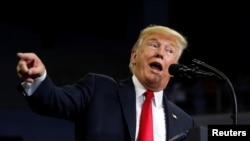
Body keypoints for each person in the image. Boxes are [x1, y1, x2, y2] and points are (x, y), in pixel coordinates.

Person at [16, 25, 196, 141]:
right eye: (154, 45)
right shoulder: (98, 89)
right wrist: (38, 78)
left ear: (175, 68)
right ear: (134, 56)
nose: (161, 53)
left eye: (169, 50)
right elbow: (54, 100)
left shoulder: (185, 122)